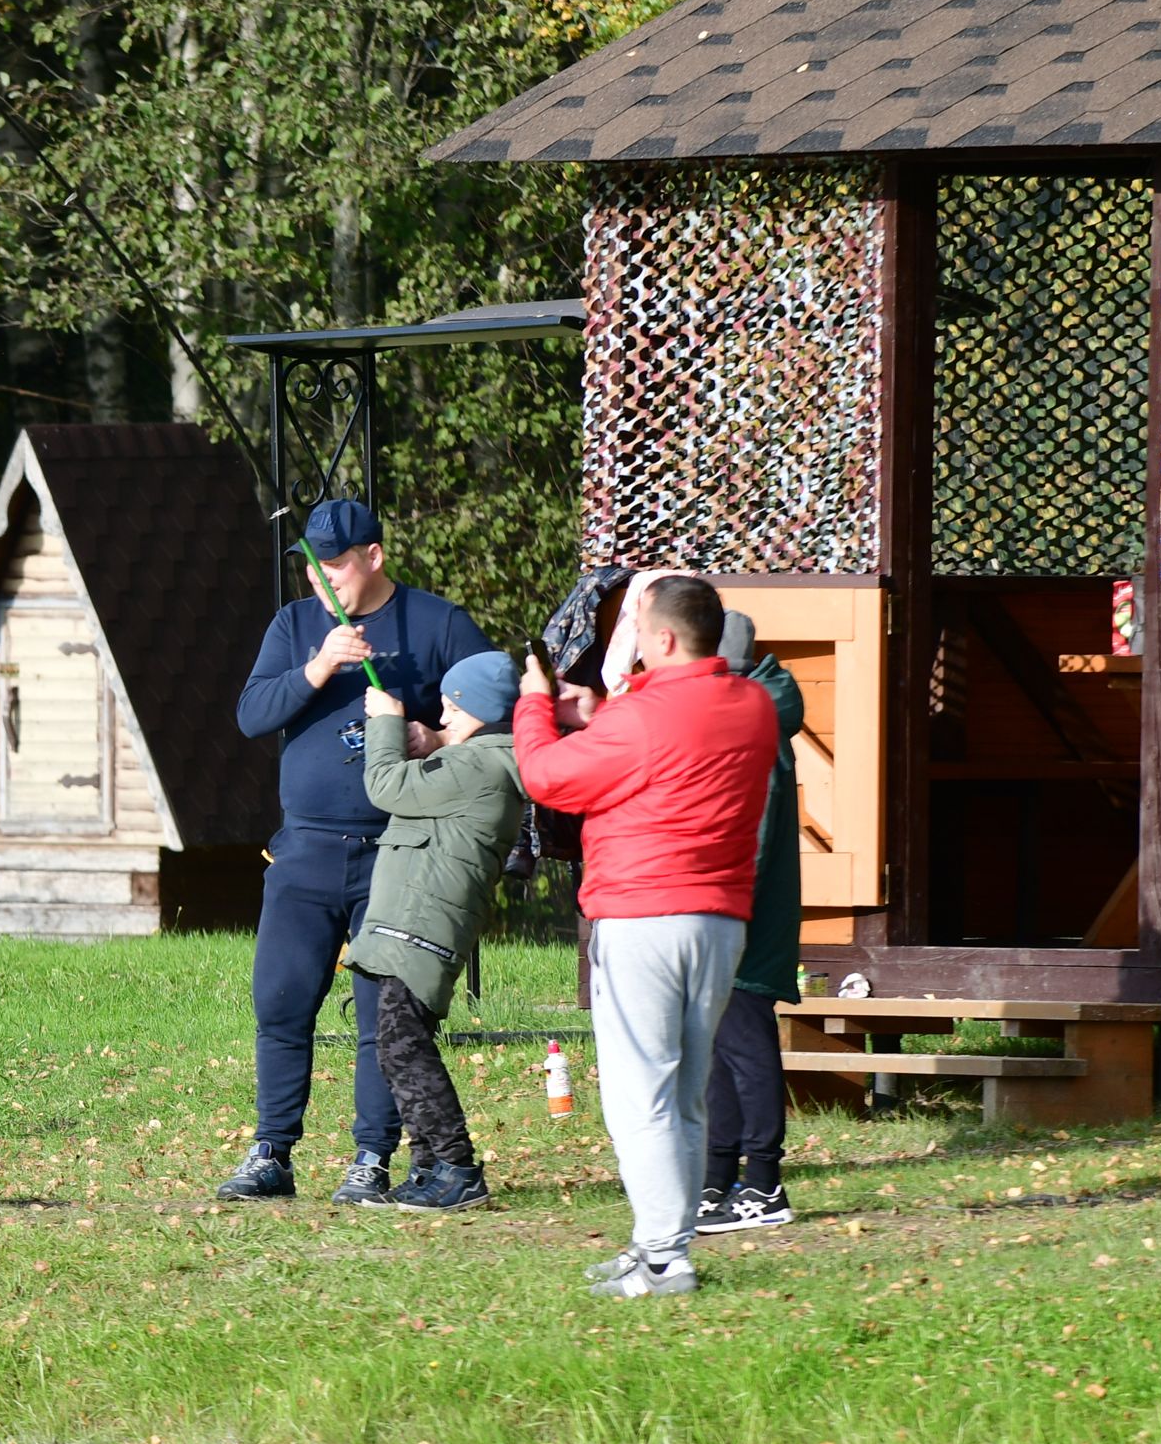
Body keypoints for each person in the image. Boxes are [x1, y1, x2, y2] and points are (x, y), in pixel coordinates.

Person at [220, 497, 495, 1203]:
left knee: (380, 1015)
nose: (322, 581)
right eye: (311, 568)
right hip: (304, 850)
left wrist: (438, 739)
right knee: (281, 1001)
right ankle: (271, 1151)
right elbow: (252, 715)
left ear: (374, 556)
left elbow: (500, 711)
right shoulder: (295, 625)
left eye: (335, 566)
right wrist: (318, 667)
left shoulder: (438, 623)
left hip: (396, 852)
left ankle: (371, 1158)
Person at [511, 573, 777, 1298]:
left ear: (661, 638)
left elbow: (545, 776)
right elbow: (665, 741)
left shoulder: (642, 718)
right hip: (718, 921)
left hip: (641, 917)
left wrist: (537, 705)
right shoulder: (752, 707)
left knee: (641, 1097)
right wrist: (600, 711)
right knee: (686, 1092)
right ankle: (664, 1242)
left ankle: (664, 1257)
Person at [348, 650, 531, 1210]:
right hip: (417, 925)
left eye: (453, 706)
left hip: (421, 928)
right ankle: (429, 1167)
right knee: (401, 1046)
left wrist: (383, 721)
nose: (444, 714)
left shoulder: (476, 766)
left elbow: (385, 786)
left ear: (479, 709)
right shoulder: (482, 759)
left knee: (403, 1049)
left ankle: (455, 1166)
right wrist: (432, 739)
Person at [697, 610, 810, 1234]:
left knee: (744, 1045)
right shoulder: (753, 712)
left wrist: (724, 907)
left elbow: (756, 841)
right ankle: (716, 1181)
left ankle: (764, 1184)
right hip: (732, 912)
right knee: (719, 1047)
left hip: (742, 918)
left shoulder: (756, 728)